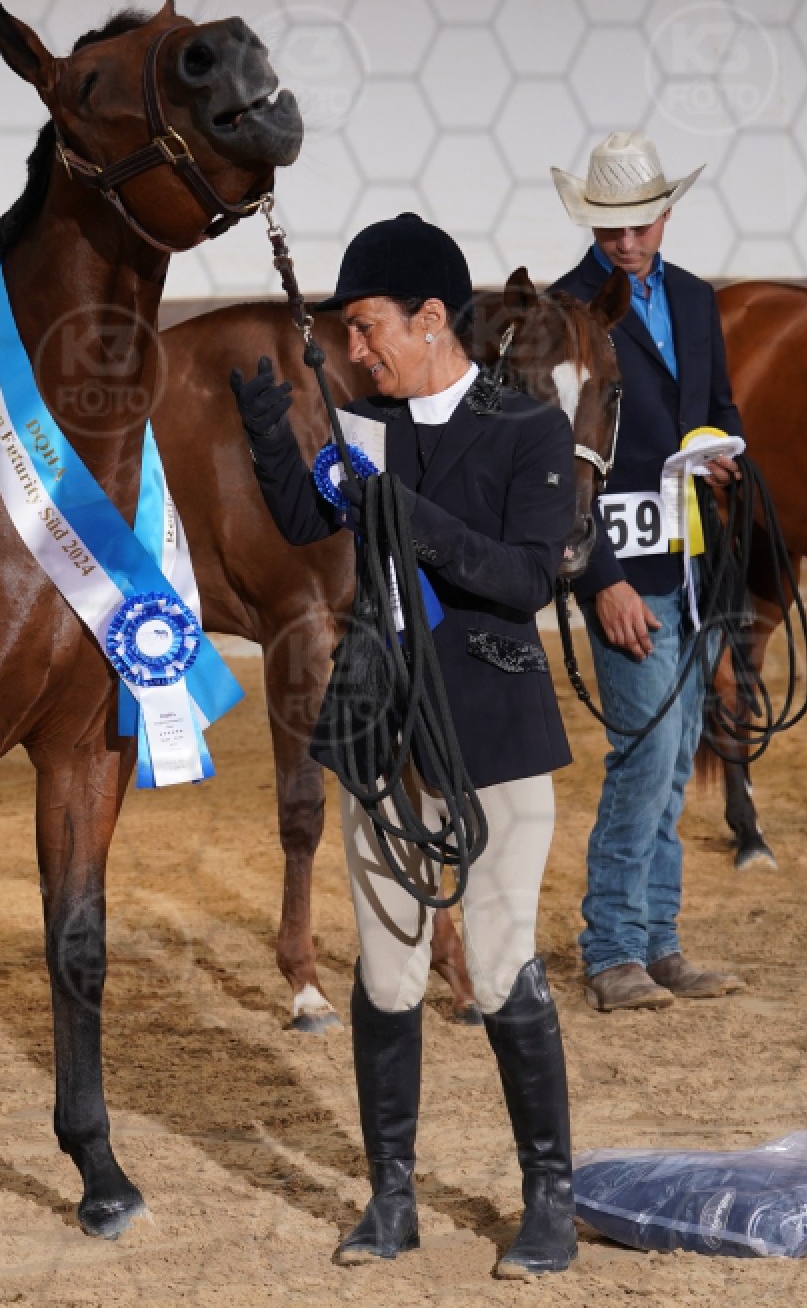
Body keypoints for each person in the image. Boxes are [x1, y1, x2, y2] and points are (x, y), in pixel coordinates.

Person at [230, 213, 579, 1279]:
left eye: (368, 327)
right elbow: (308, 522)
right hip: (380, 729)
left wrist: (408, 514)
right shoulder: (363, 427)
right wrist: (269, 440)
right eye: (345, 331)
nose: (356, 348)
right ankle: (391, 1200)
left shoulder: (529, 429)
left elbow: (527, 576)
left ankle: (549, 1201)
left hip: (494, 732)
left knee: (501, 965)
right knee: (385, 972)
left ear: (430, 319)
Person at [549, 132, 748, 1013]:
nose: (626, 242)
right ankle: (613, 949)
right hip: (624, 567)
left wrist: (723, 453)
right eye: (611, 228)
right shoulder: (564, 312)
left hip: (695, 559)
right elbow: (556, 463)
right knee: (645, 754)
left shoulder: (697, 300)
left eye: (640, 224)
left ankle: (659, 940)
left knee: (672, 764)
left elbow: (718, 409)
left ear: (665, 214)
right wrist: (600, 579)